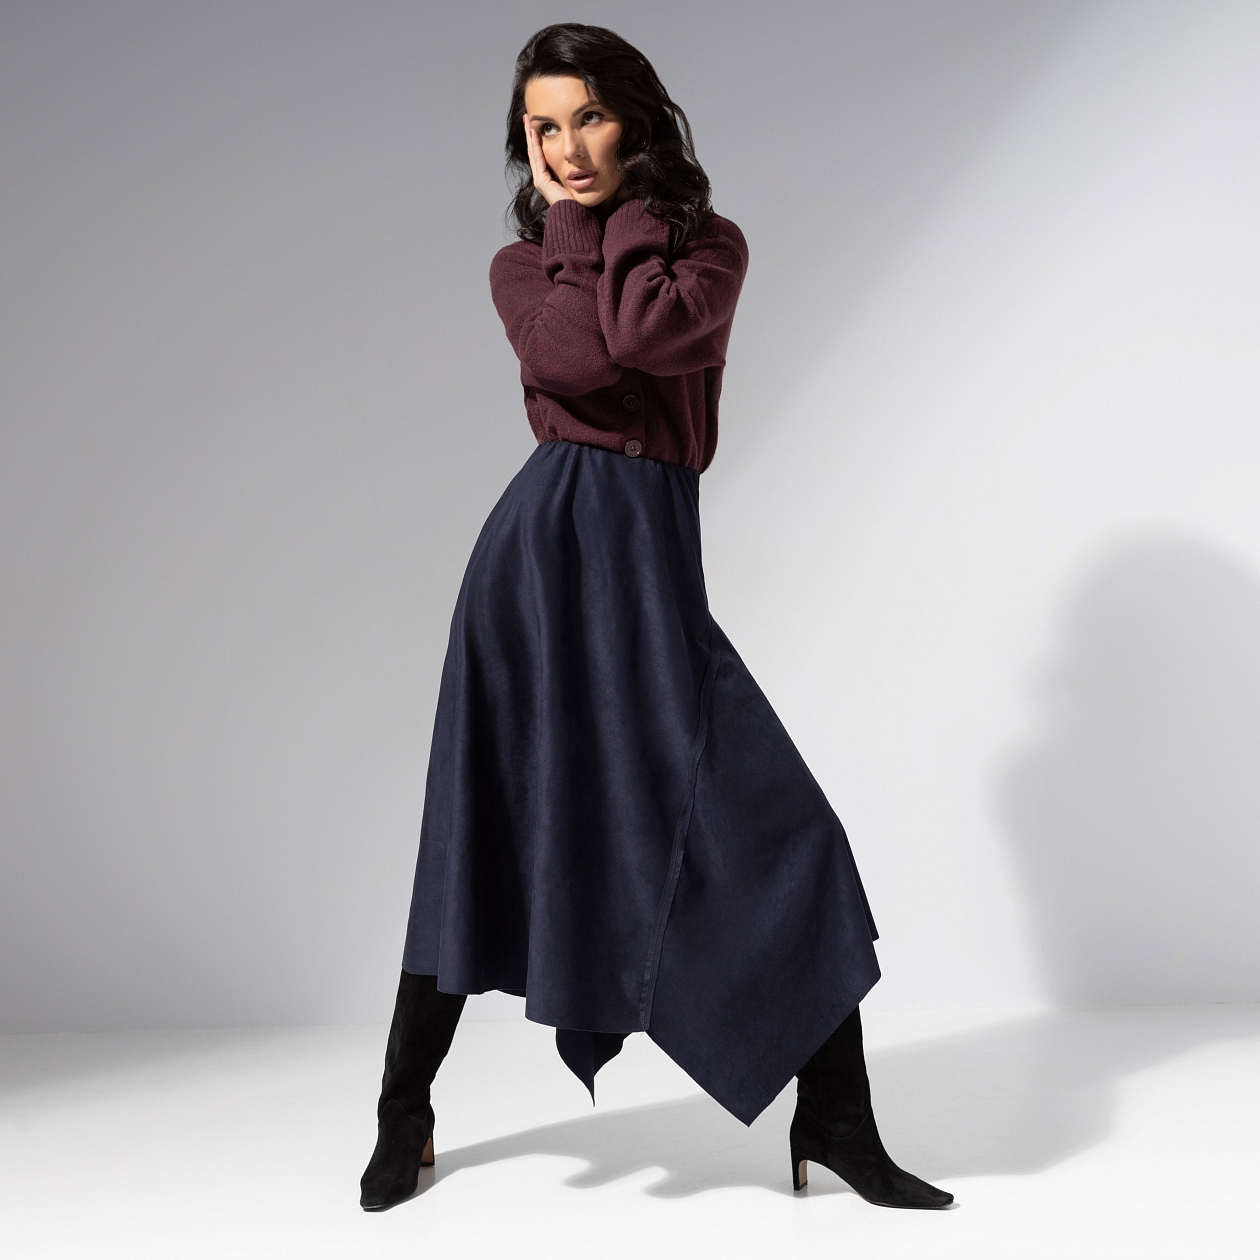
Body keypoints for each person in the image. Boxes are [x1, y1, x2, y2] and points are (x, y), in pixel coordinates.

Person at [360, 22, 953, 1213]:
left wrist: (623, 220)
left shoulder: (709, 250)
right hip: (538, 570)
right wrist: (582, 231)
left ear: (636, 118)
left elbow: (640, 336)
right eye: (541, 128)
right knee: (485, 831)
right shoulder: (520, 268)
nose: (565, 149)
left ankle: (837, 1120)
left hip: (647, 568)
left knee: (786, 836)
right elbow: (582, 360)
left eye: (588, 118)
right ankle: (401, 1112)